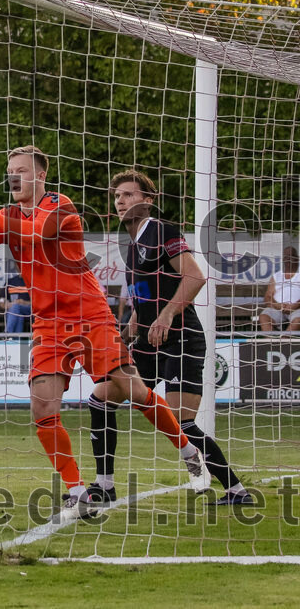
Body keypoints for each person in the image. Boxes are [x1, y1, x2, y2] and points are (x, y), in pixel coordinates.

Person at [0, 145, 210, 520]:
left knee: (133, 391)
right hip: (47, 323)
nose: (14, 178)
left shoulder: (61, 205)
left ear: (40, 176)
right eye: (10, 171)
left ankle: (188, 452)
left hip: (90, 315)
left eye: (21, 171)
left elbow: (40, 232)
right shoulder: (6, 215)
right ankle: (76, 492)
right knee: (41, 407)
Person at [103, 170, 251, 505]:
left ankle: (236, 490)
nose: (121, 201)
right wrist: (133, 322)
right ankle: (103, 484)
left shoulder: (161, 230)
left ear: (147, 200)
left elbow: (194, 277)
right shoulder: (130, 243)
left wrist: (167, 315)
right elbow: (148, 291)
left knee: (183, 422)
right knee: (102, 399)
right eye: (117, 196)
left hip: (182, 338)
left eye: (128, 194)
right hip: (150, 342)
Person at [258, 246, 300, 332]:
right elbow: (268, 297)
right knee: (263, 317)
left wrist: (296, 305)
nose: (288, 259)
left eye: (291, 256)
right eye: (286, 257)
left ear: (297, 258)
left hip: (297, 308)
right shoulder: (276, 276)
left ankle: (284, 340)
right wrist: (277, 305)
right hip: (277, 308)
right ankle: (271, 341)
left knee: (298, 320)